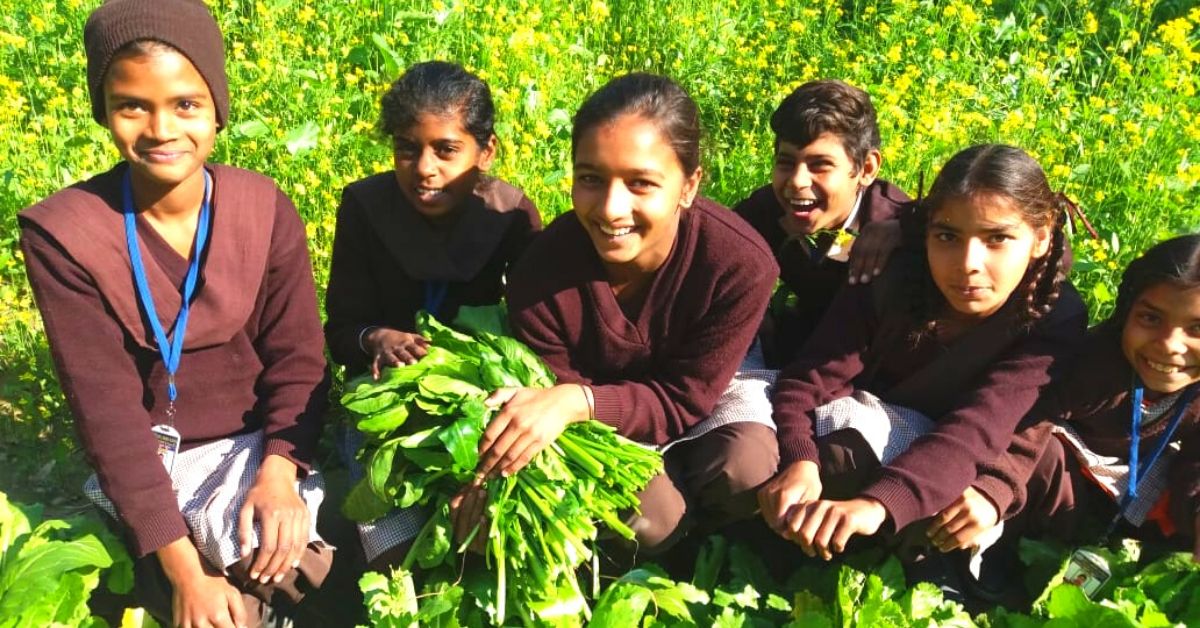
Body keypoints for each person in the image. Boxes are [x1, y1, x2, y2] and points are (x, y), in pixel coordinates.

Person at [18, 0, 331, 625]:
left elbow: (299, 361)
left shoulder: (261, 207)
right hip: (155, 466)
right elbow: (107, 415)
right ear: (103, 110)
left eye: (186, 104)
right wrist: (185, 571)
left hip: (264, 450)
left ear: (217, 107)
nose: (161, 129)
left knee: (333, 565)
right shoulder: (67, 233)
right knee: (225, 609)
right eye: (132, 105)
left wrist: (278, 478)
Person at [452, 73, 780, 557]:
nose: (610, 209)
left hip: (701, 388)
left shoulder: (740, 263)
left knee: (745, 468)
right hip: (604, 411)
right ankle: (671, 544)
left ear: (689, 186)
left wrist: (576, 401)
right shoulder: (541, 273)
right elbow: (558, 402)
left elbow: (685, 398)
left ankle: (725, 536)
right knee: (651, 519)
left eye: (641, 183)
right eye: (590, 179)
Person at [759, 144, 1088, 564]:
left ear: (1041, 237)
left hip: (958, 460)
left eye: (997, 239)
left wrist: (876, 505)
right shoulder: (892, 271)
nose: (968, 263)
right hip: (873, 435)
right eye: (948, 236)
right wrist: (800, 458)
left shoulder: (1052, 315)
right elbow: (811, 375)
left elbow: (976, 431)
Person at [323, 60, 541, 569]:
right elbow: (340, 327)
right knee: (394, 542)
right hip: (384, 397)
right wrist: (375, 337)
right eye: (406, 148)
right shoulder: (365, 206)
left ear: (485, 151)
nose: (424, 168)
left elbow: (537, 325)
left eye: (446, 150)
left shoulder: (507, 214)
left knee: (487, 535)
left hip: (479, 397)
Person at [949, 235, 1200, 565]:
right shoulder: (1093, 363)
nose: (1169, 344)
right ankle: (996, 560)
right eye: (1150, 318)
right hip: (1060, 485)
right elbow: (1027, 421)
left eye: (1196, 329)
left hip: (1124, 490)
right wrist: (993, 490)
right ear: (1125, 311)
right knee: (1044, 458)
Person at [733, 80, 910, 367]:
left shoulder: (896, 227)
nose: (797, 181)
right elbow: (714, 247)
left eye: (820, 165)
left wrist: (909, 228)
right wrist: (748, 310)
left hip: (867, 369)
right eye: (786, 163)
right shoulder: (766, 210)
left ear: (866, 169)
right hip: (794, 348)